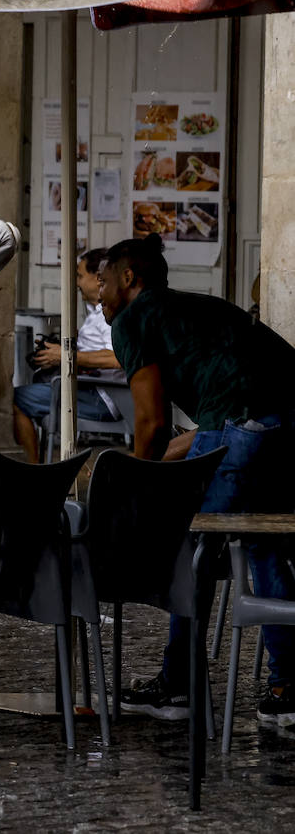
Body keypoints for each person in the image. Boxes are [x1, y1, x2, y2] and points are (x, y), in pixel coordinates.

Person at [99, 233, 295, 724]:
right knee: (262, 541)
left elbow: (152, 422)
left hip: (246, 419)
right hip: (283, 418)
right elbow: (205, 430)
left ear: (128, 279)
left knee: (195, 544)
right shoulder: (194, 310)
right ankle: (287, 685)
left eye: (101, 281)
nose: (95, 292)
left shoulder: (132, 320)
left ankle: (181, 682)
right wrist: (163, 463)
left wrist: (138, 487)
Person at [12, 248, 121, 463]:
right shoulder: (97, 314)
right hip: (92, 388)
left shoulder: (109, 316)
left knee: (14, 400)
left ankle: (33, 470)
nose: (77, 283)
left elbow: (117, 357)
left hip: (103, 397)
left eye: (80, 276)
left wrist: (66, 356)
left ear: (98, 278)